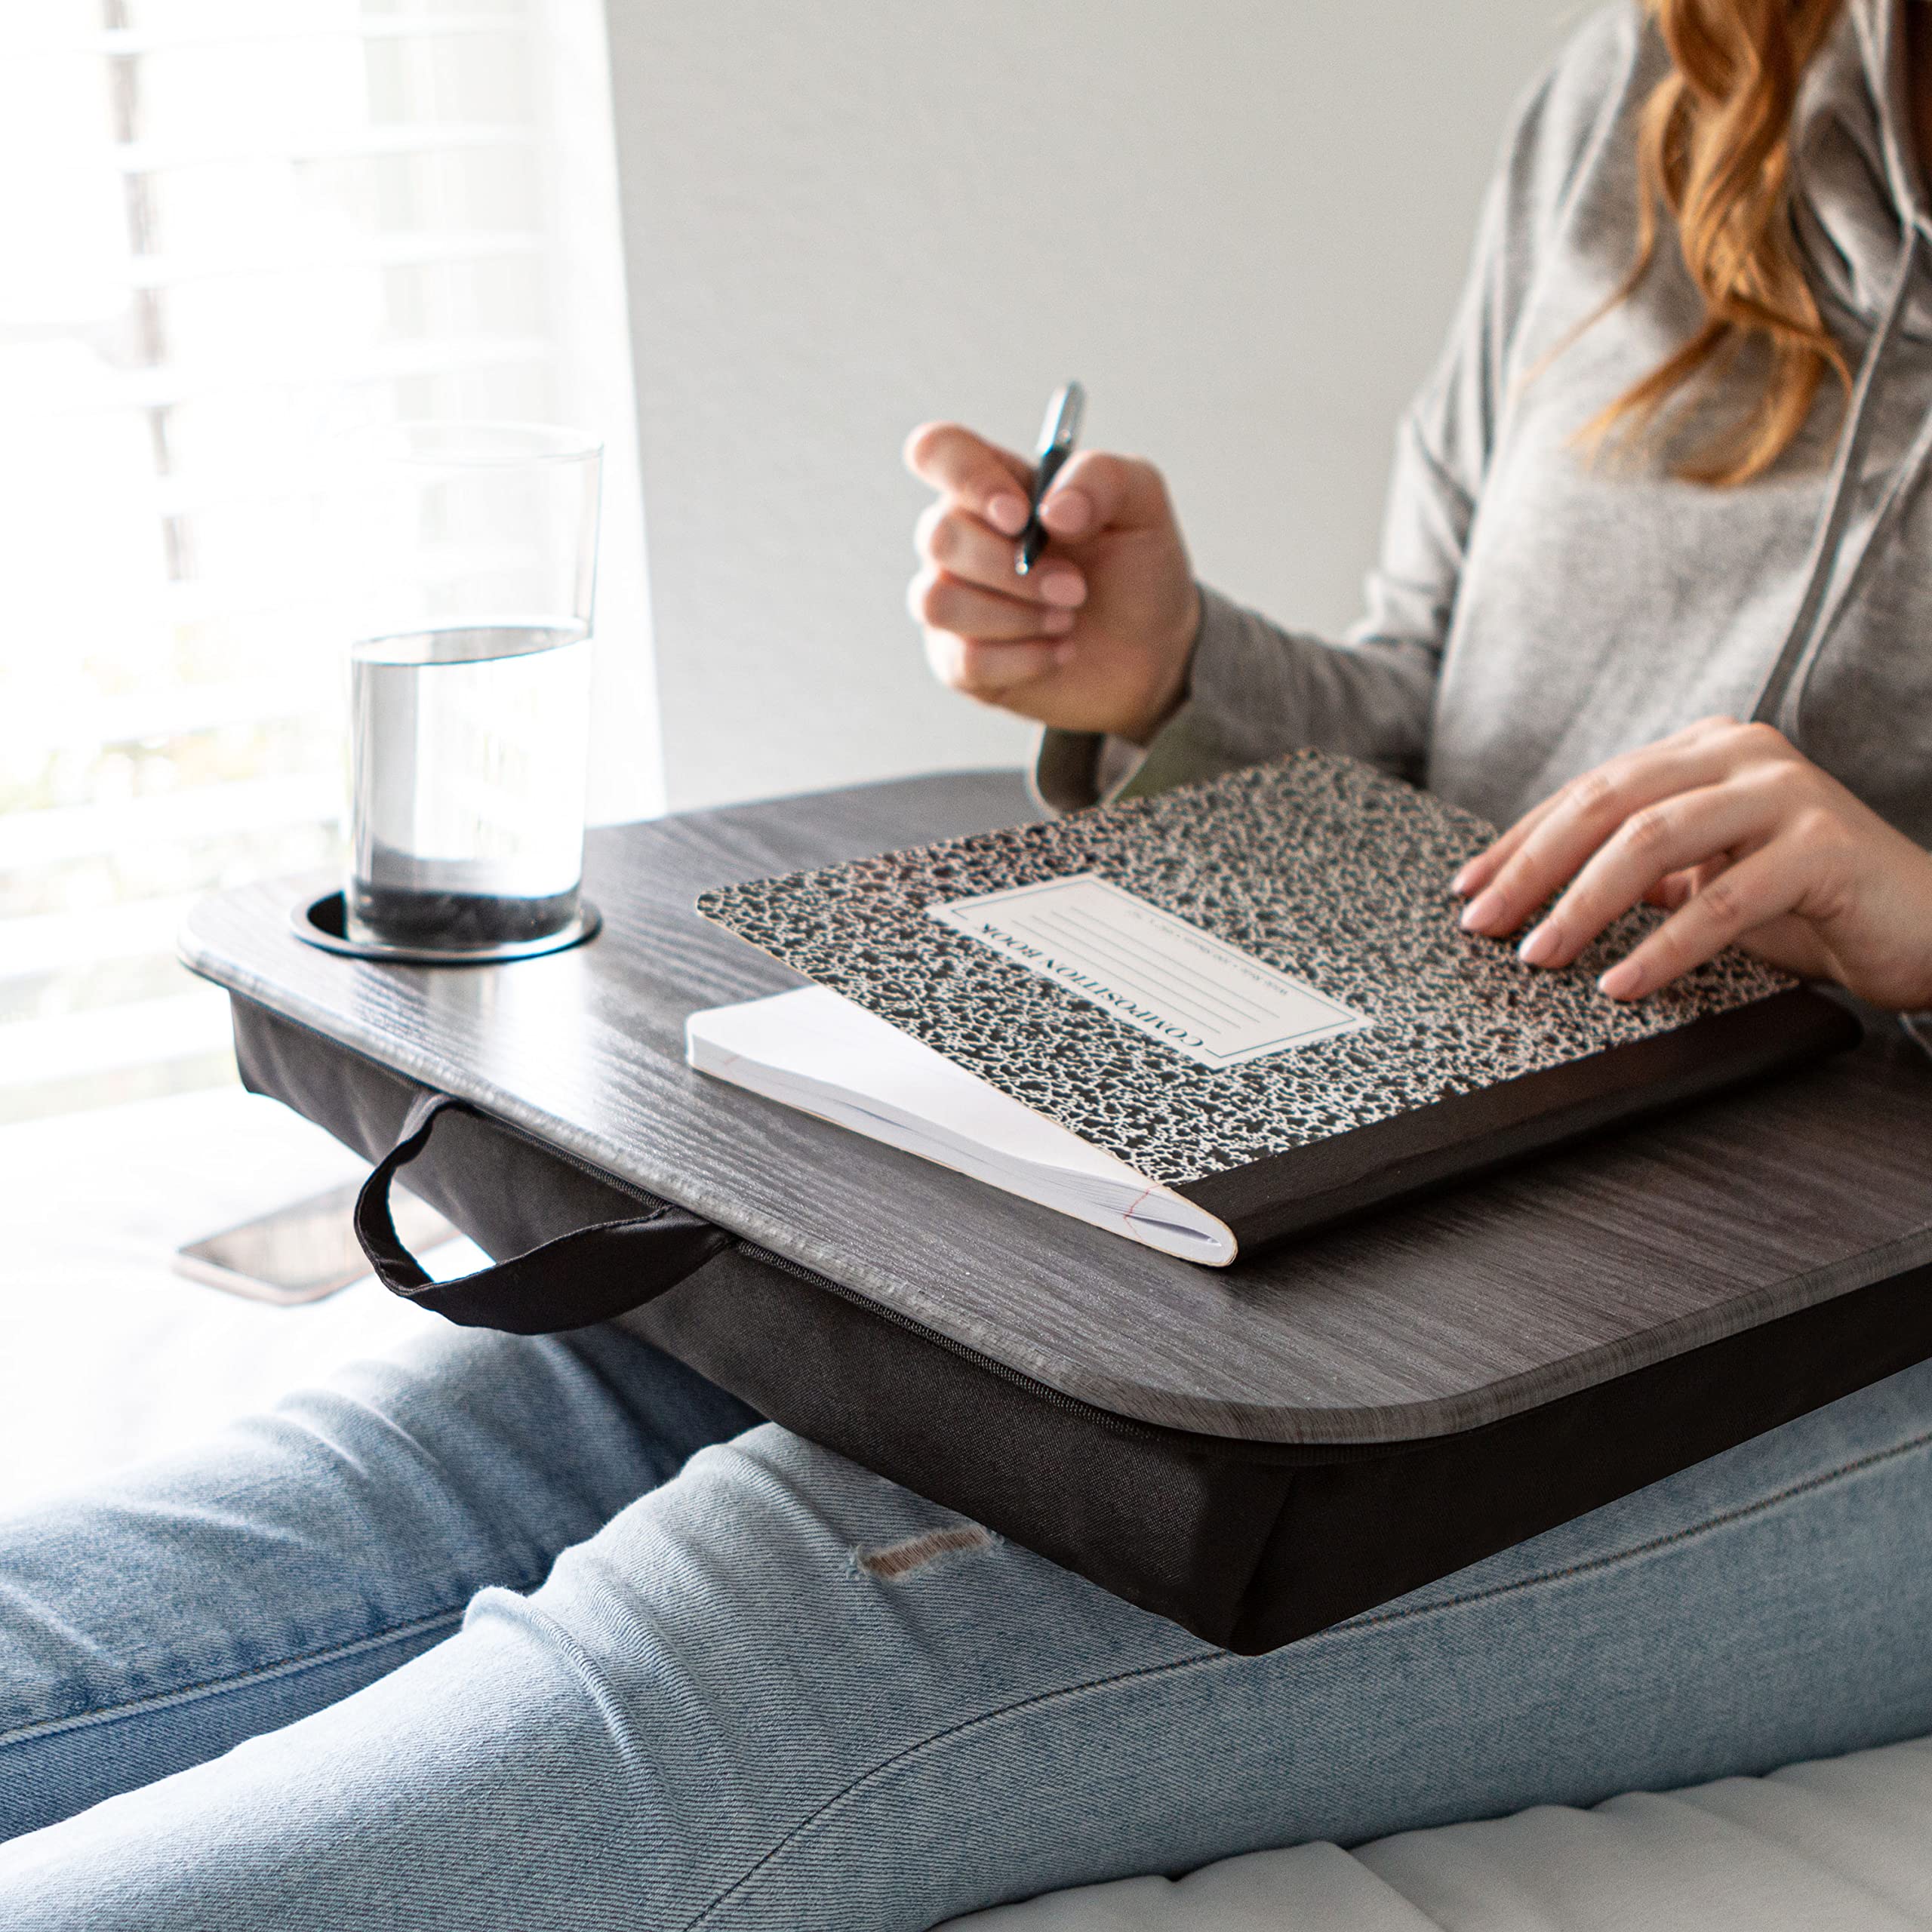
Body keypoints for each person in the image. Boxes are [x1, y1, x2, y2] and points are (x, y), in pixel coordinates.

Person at [4, 2, 1930, 1926]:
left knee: (825, 1613)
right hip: (1436, 1201)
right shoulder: (1667, 85)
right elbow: (1441, 731)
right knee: (508, 1417)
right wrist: (1169, 675)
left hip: (1868, 1324)